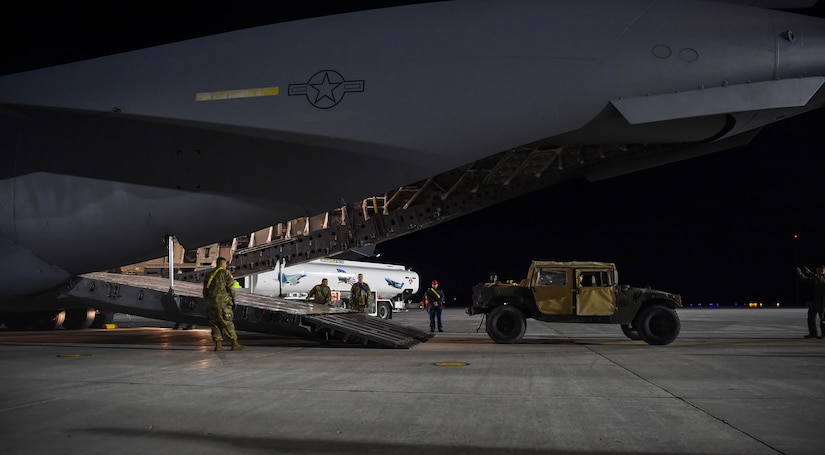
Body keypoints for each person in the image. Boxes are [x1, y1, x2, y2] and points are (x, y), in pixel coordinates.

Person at [203, 257, 245, 351]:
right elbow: (230, 287)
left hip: (211, 304)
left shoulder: (209, 274)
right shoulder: (225, 273)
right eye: (225, 263)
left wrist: (208, 300)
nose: (226, 265)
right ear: (222, 264)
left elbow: (205, 290)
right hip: (223, 303)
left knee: (215, 324)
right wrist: (233, 299)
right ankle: (234, 343)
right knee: (227, 323)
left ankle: (218, 345)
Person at [796, 265, 825, 339]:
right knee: (811, 316)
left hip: (823, 302)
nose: (817, 272)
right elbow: (806, 280)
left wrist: (810, 273)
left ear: (822, 270)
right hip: (816, 301)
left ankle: (824, 334)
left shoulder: (822, 278)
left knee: (823, 319)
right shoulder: (816, 278)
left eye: (818, 270)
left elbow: (820, 279)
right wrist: (800, 274)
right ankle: (813, 333)